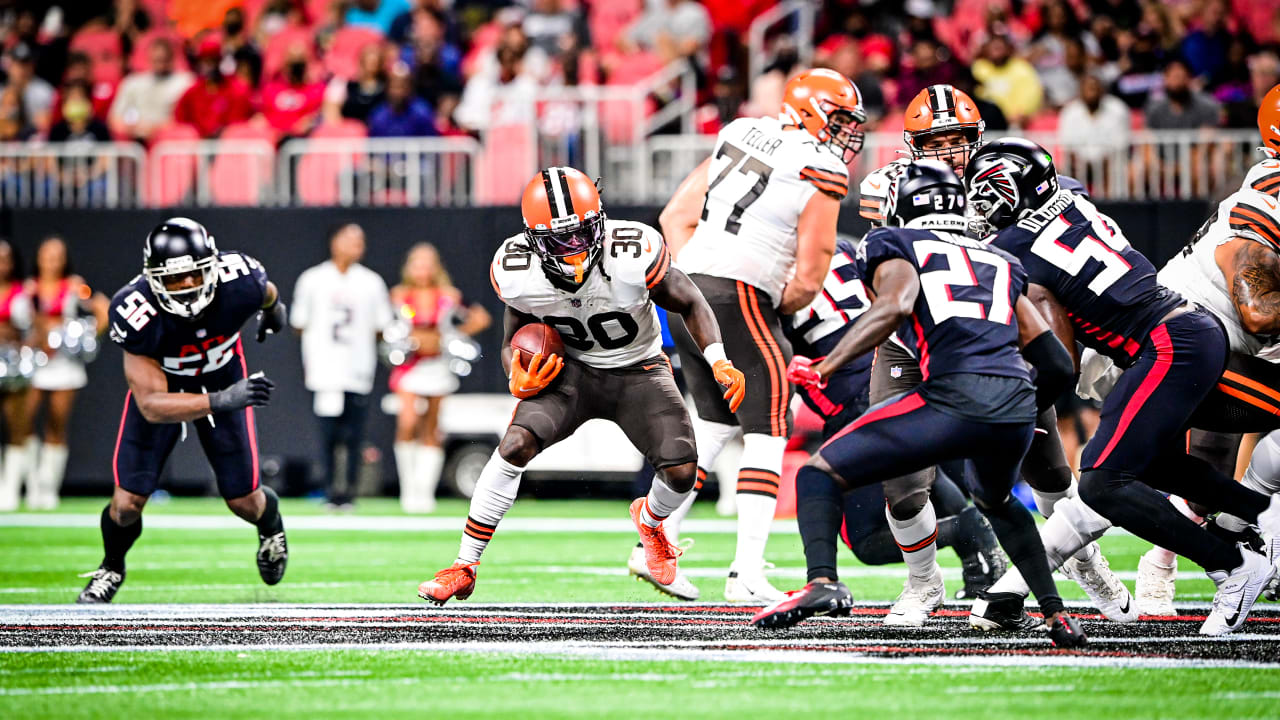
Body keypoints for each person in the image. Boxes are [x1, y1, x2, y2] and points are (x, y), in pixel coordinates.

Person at [754, 160, 1083, 649]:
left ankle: (822, 581)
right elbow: (1057, 363)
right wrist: (1027, 413)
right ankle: (1057, 615)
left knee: (817, 474)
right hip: (1014, 404)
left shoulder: (896, 244)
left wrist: (826, 365)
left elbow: (894, 306)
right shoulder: (1000, 259)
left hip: (952, 395)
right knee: (999, 502)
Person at [967, 137, 1280, 635]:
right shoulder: (1070, 200)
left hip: (1168, 341)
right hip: (1182, 332)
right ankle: (1261, 514)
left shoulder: (1012, 249)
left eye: (981, 200)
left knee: (1102, 479)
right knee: (1147, 461)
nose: (977, 212)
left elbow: (1059, 361)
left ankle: (1233, 566)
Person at [861, 85, 1131, 625]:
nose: (950, 153)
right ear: (913, 145)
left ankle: (1084, 560)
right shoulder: (885, 187)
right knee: (900, 480)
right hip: (912, 345)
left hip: (995, 343)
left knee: (1049, 471)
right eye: (937, 142)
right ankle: (923, 583)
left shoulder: (1004, 175)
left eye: (959, 140)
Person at [417, 166, 746, 606]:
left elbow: (690, 300)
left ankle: (651, 522)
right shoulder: (517, 270)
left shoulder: (631, 249)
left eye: (582, 233)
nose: (574, 249)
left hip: (640, 370)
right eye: (559, 239)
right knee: (514, 445)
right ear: (533, 239)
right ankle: (463, 564)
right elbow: (511, 337)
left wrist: (719, 360)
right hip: (570, 372)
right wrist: (515, 370)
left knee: (683, 472)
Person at [646, 68, 859, 603]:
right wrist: (766, 309)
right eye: (838, 119)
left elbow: (676, 215)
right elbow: (811, 273)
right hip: (737, 292)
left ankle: (655, 538)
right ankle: (745, 574)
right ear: (810, 112)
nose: (845, 133)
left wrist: (697, 279)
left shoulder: (739, 131)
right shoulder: (822, 166)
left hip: (687, 288)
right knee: (768, 428)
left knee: (715, 425)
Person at [784, 235, 1008, 601]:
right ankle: (977, 544)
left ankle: (971, 535)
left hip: (851, 395)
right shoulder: (844, 246)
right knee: (917, 479)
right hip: (903, 374)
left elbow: (771, 350)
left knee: (868, 540)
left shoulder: (770, 270)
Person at [77, 218, 289, 603]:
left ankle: (270, 520)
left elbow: (266, 290)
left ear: (211, 266)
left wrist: (274, 309)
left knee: (244, 501)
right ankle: (111, 566)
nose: (188, 287)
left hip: (224, 378)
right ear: (153, 279)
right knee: (125, 505)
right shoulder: (134, 308)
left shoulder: (240, 279)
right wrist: (223, 399)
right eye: (175, 280)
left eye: (193, 275)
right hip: (176, 390)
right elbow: (151, 405)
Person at [290, 223, 395, 510]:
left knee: (353, 434)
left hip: (358, 367)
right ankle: (328, 489)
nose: (356, 246)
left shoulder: (371, 282)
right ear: (334, 241)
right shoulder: (313, 279)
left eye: (359, 240)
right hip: (325, 368)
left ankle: (348, 491)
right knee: (327, 434)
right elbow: (299, 322)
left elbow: (382, 326)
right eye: (349, 239)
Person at [390, 243, 490, 513]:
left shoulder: (449, 295)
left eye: (427, 263)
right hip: (410, 367)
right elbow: (388, 326)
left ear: (436, 267)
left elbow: (481, 317)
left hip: (438, 365)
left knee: (432, 427)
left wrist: (453, 337)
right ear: (409, 267)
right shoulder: (398, 295)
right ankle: (408, 489)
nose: (422, 269)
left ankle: (424, 492)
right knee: (408, 421)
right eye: (417, 263)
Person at [23, 236, 108, 510]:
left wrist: (84, 339)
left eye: (57, 255)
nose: (51, 261)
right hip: (34, 362)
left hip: (64, 365)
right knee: (23, 422)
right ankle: (28, 485)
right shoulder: (29, 289)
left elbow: (102, 309)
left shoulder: (75, 287)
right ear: (38, 258)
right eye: (47, 255)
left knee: (56, 424)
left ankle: (48, 489)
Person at [0, 240, 34, 511]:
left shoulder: (22, 293)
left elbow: (32, 329)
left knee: (17, 426)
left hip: (10, 365)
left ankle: (10, 489)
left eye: (6, 259)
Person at [108, 37, 194, 143]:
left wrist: (156, 130)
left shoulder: (186, 82)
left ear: (172, 59)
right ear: (149, 59)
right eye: (157, 60)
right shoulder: (132, 83)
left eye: (164, 60)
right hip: (136, 140)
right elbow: (114, 119)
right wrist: (134, 128)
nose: (161, 65)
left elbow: (187, 120)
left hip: (171, 140)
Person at [173, 37, 255, 139]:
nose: (209, 66)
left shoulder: (237, 89)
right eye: (205, 61)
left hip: (229, 146)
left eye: (213, 60)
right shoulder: (192, 92)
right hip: (197, 146)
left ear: (219, 61)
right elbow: (181, 121)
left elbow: (239, 124)